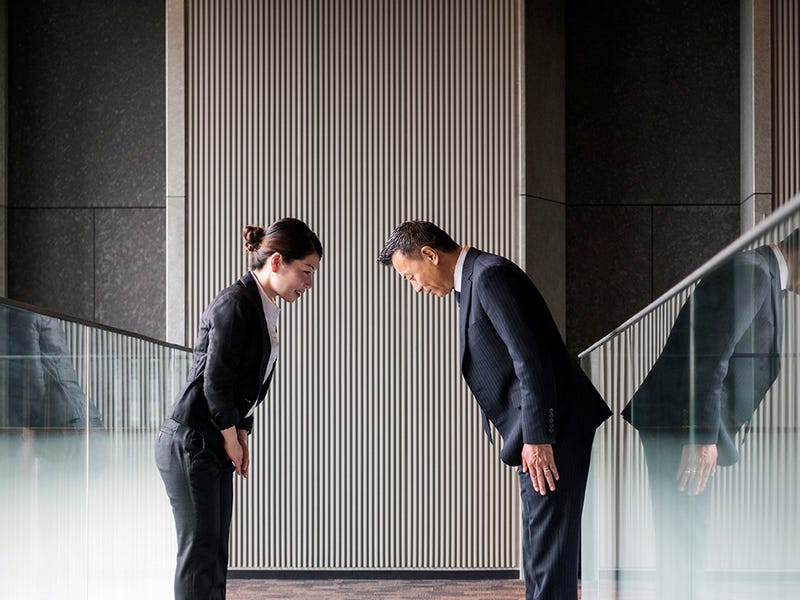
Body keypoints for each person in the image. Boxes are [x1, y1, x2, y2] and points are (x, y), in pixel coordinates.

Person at [378, 221, 612, 600]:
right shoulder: (473, 279)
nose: (415, 288)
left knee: (550, 549)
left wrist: (537, 437)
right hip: (533, 432)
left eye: (410, 277)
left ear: (429, 255)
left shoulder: (489, 276)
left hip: (553, 430)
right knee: (540, 545)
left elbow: (530, 360)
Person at [621, 229, 799, 599]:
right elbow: (709, 354)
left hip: (681, 425)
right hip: (680, 428)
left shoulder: (761, 273)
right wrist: (701, 435)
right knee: (685, 540)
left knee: (684, 540)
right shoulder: (751, 271)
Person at [156, 218, 322, 600]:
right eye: (306, 271)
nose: (309, 284)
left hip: (213, 439)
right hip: (192, 440)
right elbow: (215, 382)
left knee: (215, 552)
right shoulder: (237, 304)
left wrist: (241, 432)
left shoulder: (262, 306)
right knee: (199, 553)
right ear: (277, 261)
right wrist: (231, 438)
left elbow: (242, 383)